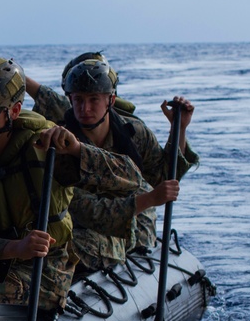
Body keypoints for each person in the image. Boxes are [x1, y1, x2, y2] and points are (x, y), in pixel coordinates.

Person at [0, 57, 144, 311]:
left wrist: (78, 151)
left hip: (45, 273)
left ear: (15, 111)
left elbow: (130, 178)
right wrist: (14, 248)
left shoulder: (46, 152)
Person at [27, 55, 199, 272]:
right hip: (84, 224)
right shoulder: (59, 143)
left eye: (93, 100)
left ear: (111, 100)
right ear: (70, 100)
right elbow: (84, 208)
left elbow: (162, 179)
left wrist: (178, 129)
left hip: (130, 229)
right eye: (78, 100)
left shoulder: (133, 133)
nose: (85, 108)